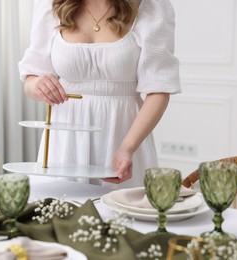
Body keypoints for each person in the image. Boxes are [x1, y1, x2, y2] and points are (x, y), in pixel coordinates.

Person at [18, 0, 181, 188]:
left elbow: (159, 90)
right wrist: (38, 84)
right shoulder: (51, 5)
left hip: (124, 139)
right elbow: (31, 79)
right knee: (61, 211)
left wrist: (127, 148)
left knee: (121, 213)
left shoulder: (152, 7)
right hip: (64, 143)